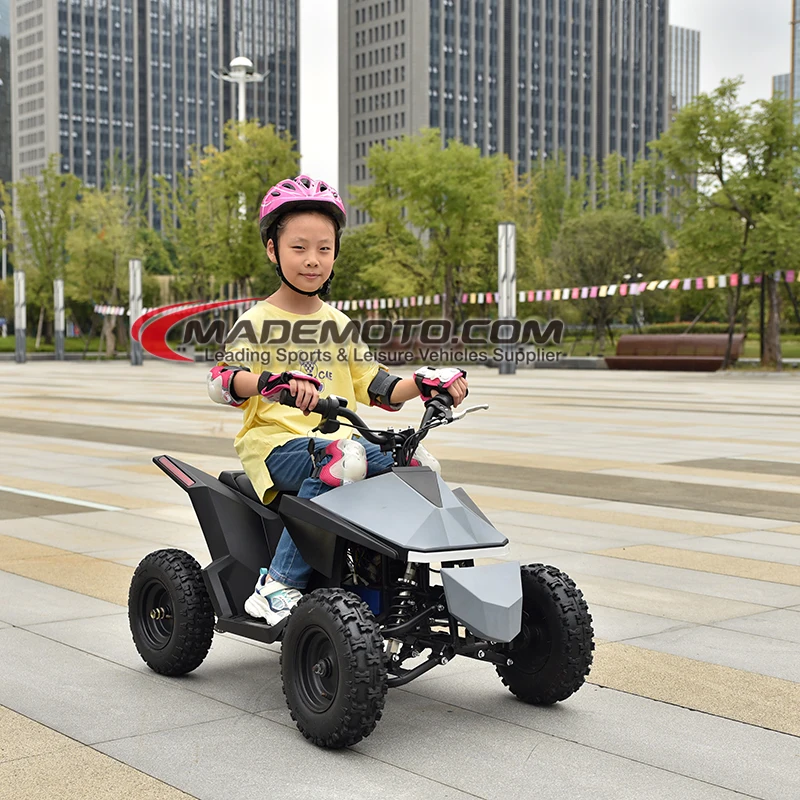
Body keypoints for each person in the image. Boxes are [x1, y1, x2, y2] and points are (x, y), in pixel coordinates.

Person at [207, 174, 469, 624]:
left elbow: (378, 388)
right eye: (299, 247)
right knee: (343, 458)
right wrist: (270, 382)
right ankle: (277, 586)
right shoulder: (256, 321)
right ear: (273, 249)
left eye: (324, 249)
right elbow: (220, 381)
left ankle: (386, 580)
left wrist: (426, 384)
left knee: (420, 464)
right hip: (276, 445)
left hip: (344, 442)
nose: (313, 260)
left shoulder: (338, 323)